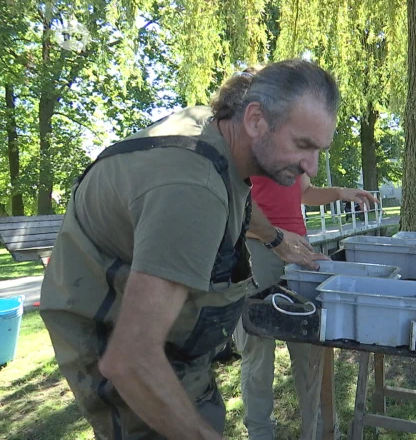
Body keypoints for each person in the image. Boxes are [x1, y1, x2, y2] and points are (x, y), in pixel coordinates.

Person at [38, 59, 339, 440]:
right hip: (117, 343)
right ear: (256, 119)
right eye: (303, 145)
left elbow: (239, 199)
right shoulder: (191, 190)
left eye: (319, 150)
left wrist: (277, 240)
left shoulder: (222, 134)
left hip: (167, 342)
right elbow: (129, 359)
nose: (310, 166)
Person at [234, 173, 378, 440]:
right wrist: (274, 237)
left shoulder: (298, 143)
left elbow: (305, 191)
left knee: (309, 347)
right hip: (256, 248)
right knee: (257, 351)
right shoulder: (247, 136)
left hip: (299, 248)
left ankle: (319, 429)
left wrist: (340, 193)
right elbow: (232, 206)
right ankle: (260, 432)